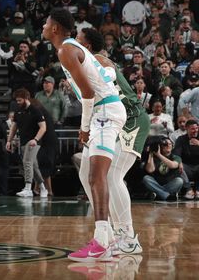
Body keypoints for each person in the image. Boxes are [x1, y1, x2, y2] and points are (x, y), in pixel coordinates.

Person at [43, 8, 127, 262]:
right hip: (108, 109)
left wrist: (85, 126)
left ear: (55, 28)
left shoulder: (66, 50)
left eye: (46, 23)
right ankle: (109, 239)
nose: (43, 27)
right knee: (89, 173)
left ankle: (101, 241)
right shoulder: (72, 49)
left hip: (104, 112)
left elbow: (89, 93)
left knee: (96, 175)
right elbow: (105, 71)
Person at [78, 27, 148, 255]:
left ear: (87, 45)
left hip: (131, 118)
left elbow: (108, 69)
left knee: (111, 174)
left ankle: (127, 238)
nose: (73, 43)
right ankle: (105, 231)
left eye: (78, 40)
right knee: (85, 171)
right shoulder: (80, 64)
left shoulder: (98, 58)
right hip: (107, 119)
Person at [6, 89, 47, 198]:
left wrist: (36, 139)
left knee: (26, 161)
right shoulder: (18, 111)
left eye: (19, 100)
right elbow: (14, 128)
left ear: (26, 99)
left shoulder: (35, 110)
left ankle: (28, 188)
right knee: (34, 165)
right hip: (23, 142)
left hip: (33, 142)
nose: (17, 102)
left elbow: (43, 128)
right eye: (17, 100)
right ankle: (43, 188)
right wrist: (9, 140)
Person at [143, 137, 183, 201]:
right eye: (165, 144)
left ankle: (159, 194)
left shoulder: (176, 157)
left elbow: (172, 165)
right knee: (146, 178)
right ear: (160, 146)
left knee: (179, 181)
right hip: (157, 182)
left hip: (170, 183)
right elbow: (150, 170)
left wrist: (159, 155)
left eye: (170, 144)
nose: (168, 146)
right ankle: (166, 195)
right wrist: (151, 153)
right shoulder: (154, 156)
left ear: (172, 146)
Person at [174, 120, 199, 198]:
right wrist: (179, 162)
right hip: (186, 168)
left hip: (198, 167)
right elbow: (176, 153)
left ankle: (198, 190)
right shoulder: (181, 139)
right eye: (193, 129)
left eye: (197, 128)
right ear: (186, 129)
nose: (196, 131)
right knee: (177, 165)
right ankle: (189, 190)